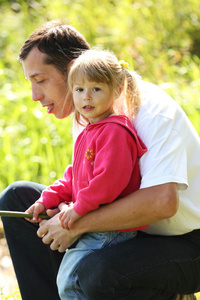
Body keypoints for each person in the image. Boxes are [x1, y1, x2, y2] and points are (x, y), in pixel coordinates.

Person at [0, 20, 200, 300]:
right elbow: (88, 181)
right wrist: (58, 204)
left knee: (97, 271)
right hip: (124, 231)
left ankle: (168, 293)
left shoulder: (153, 112)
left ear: (73, 70)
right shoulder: (88, 112)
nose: (35, 96)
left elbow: (162, 202)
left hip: (184, 242)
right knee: (17, 198)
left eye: (40, 80)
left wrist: (76, 222)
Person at [25, 48, 148, 299]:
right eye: (79, 90)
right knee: (69, 280)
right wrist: (46, 198)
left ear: (115, 92)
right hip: (95, 223)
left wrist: (78, 209)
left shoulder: (115, 131)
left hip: (110, 228)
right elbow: (74, 176)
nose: (86, 97)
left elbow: (108, 182)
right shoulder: (90, 130)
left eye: (96, 89)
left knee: (72, 281)